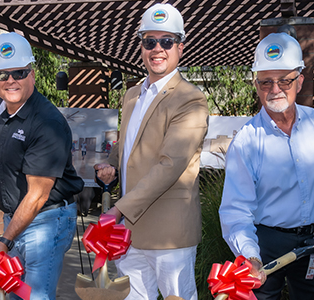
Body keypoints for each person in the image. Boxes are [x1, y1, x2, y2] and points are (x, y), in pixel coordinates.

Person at [219, 33, 314, 300]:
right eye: (265, 82)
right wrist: (251, 256)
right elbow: (236, 211)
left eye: (284, 80)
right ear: (256, 84)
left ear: (300, 81)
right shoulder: (246, 141)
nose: (275, 89)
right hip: (265, 245)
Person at [93, 3, 209, 299]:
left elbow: (170, 165)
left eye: (166, 41)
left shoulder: (191, 99)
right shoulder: (132, 95)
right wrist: (110, 164)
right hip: (130, 235)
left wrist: (118, 210)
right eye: (149, 41)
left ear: (180, 47)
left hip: (170, 236)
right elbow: (127, 144)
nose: (158, 48)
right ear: (141, 46)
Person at [0, 32, 83, 300]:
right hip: (16, 218)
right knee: (14, 292)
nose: (11, 81)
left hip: (47, 220)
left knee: (33, 296)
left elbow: (37, 195)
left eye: (19, 73)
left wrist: (4, 241)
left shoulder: (47, 122)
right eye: (3, 74)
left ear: (31, 74)